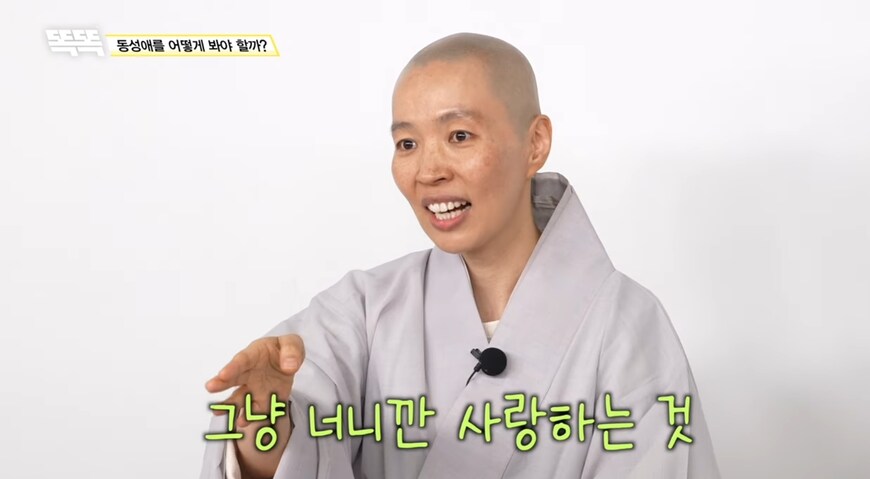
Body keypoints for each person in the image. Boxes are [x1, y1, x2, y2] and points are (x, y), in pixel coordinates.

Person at [200, 32, 721, 479]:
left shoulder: (627, 325)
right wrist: (264, 422)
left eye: (459, 135)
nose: (428, 171)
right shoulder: (361, 309)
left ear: (535, 143)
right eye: (407, 144)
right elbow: (283, 447)